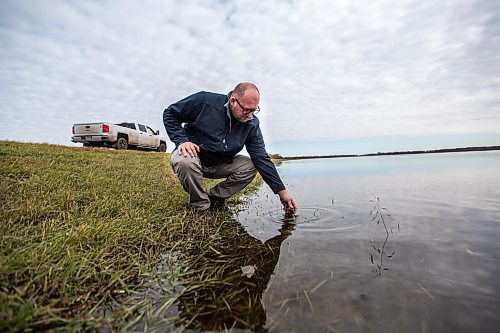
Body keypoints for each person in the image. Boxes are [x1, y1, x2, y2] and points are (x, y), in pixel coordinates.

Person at [163, 82, 297, 215]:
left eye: (254, 110)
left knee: (251, 166)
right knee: (184, 160)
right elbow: (170, 114)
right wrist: (182, 141)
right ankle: (201, 207)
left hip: (220, 163)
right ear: (233, 101)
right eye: (247, 110)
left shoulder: (251, 124)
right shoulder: (204, 101)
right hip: (193, 157)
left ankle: (214, 198)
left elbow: (261, 158)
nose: (250, 116)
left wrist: (282, 192)